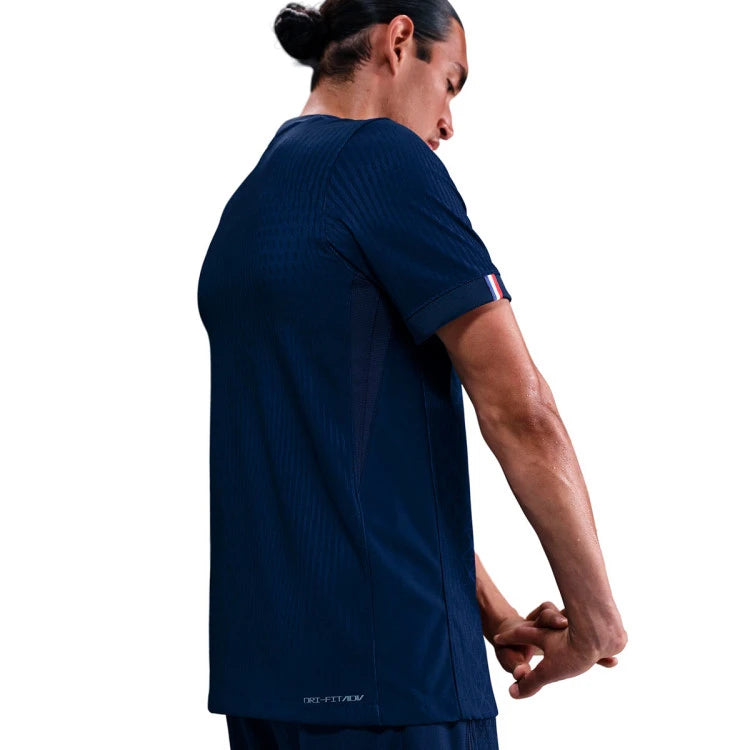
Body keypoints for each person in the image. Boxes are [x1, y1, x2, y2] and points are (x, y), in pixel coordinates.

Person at [196, 1, 627, 748]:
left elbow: (342, 462)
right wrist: (596, 622)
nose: (449, 124)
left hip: (265, 684)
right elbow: (520, 410)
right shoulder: (385, 162)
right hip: (397, 683)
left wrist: (492, 613)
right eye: (451, 82)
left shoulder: (251, 202)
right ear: (399, 42)